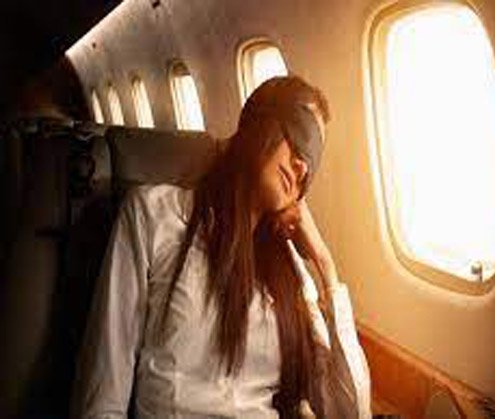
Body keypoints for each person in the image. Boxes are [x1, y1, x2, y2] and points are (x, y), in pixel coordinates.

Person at [71, 76, 371, 418]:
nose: (303, 167)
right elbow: (102, 397)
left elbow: (350, 413)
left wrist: (325, 265)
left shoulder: (290, 270)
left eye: (312, 164)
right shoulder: (154, 216)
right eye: (300, 139)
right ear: (259, 123)